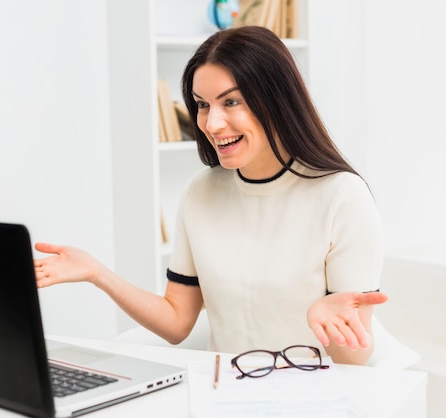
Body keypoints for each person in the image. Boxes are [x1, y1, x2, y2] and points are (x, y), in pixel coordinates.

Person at [34, 26, 388, 366]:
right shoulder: (200, 192)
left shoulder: (342, 197)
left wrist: (328, 325)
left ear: (277, 100)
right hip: (222, 392)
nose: (211, 123)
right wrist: (98, 273)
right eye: (202, 104)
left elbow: (355, 361)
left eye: (231, 101)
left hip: (311, 395)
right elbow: (176, 322)